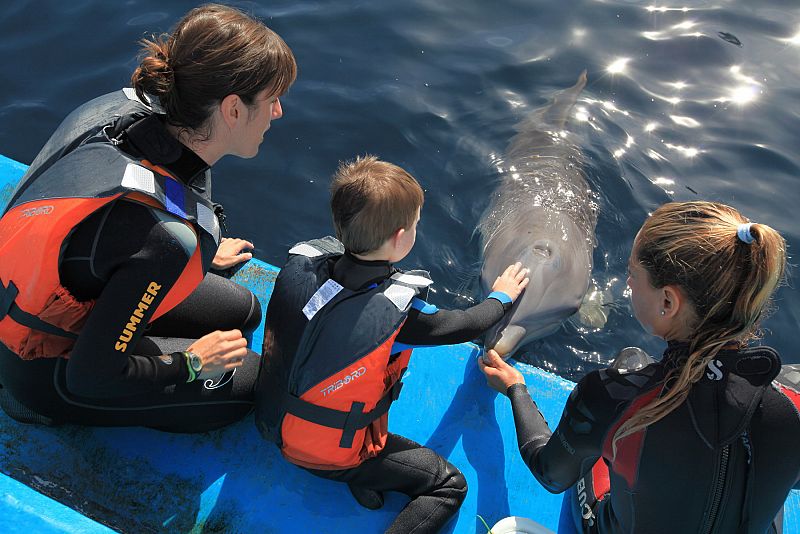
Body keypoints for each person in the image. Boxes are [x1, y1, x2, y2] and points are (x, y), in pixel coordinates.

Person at [0, 4, 297, 432]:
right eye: (272, 100)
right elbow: (92, 377)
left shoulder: (126, 116)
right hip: (54, 371)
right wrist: (191, 364)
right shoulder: (163, 242)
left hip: (48, 289)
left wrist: (200, 260)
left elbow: (115, 233)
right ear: (232, 110)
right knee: (248, 380)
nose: (278, 113)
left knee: (244, 309)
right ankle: (31, 403)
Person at [480, 201, 800, 533]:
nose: (628, 283)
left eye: (633, 274)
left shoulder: (610, 395)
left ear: (668, 302)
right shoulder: (792, 398)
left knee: (631, 362)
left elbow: (550, 473)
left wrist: (516, 390)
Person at [255, 155, 530, 533]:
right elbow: (467, 325)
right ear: (401, 238)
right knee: (449, 485)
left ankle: (361, 475)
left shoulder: (302, 266)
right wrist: (501, 297)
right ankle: (359, 473)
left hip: (271, 423)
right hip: (326, 453)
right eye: (416, 223)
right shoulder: (400, 316)